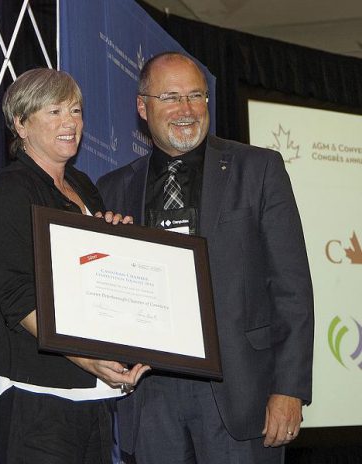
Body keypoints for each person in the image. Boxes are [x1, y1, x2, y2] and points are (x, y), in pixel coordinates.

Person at [97, 52, 314, 464]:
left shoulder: (259, 169)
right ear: (143, 107)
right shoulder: (113, 189)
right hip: (150, 394)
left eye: (196, 96)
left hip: (239, 394)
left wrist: (289, 389)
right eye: (172, 97)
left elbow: (292, 288)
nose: (187, 110)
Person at [0, 68, 150, 464]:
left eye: (75, 110)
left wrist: (118, 240)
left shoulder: (83, 185)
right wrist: (83, 356)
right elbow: (15, 295)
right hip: (39, 397)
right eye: (54, 111)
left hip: (89, 394)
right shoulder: (9, 191)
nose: (70, 122)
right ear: (21, 125)